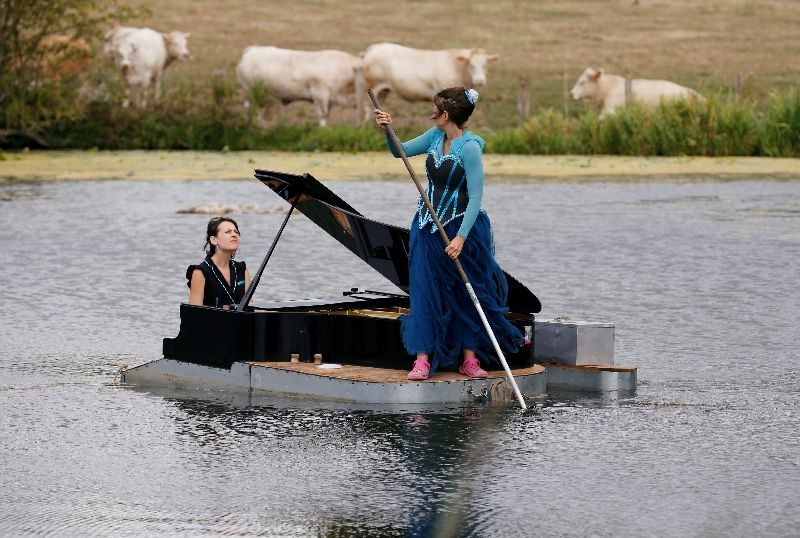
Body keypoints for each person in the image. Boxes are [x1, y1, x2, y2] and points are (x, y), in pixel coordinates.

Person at [374, 86, 524, 380]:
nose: (432, 113)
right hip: (427, 227)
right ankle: (422, 360)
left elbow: (477, 196)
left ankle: (469, 360)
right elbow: (399, 152)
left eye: (436, 109)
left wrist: (460, 238)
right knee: (425, 289)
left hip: (462, 228)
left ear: (446, 115)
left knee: (466, 292)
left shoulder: (470, 148)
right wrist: (387, 130)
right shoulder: (433, 137)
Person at [187, 216, 251, 309]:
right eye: (227, 232)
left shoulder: (242, 269)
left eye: (236, 232)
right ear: (214, 240)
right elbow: (193, 315)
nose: (234, 235)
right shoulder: (200, 272)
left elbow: (250, 306)